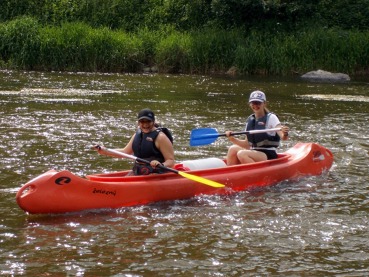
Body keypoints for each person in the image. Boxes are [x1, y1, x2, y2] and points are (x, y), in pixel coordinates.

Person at [94, 108, 175, 175]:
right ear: (138, 123)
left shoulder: (160, 137)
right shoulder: (138, 134)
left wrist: (161, 165)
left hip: (156, 173)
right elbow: (125, 152)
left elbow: (171, 161)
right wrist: (105, 151)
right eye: (142, 122)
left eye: (148, 121)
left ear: (153, 122)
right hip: (139, 170)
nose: (145, 125)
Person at [225, 90, 289, 165]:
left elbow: (283, 137)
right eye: (253, 103)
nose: (255, 105)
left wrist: (285, 133)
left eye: (258, 103)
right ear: (250, 104)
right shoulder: (250, 119)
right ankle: (232, 174)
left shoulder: (271, 118)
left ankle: (256, 173)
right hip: (254, 151)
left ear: (264, 103)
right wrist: (232, 139)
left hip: (268, 154)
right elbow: (247, 144)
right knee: (232, 149)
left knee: (242, 154)